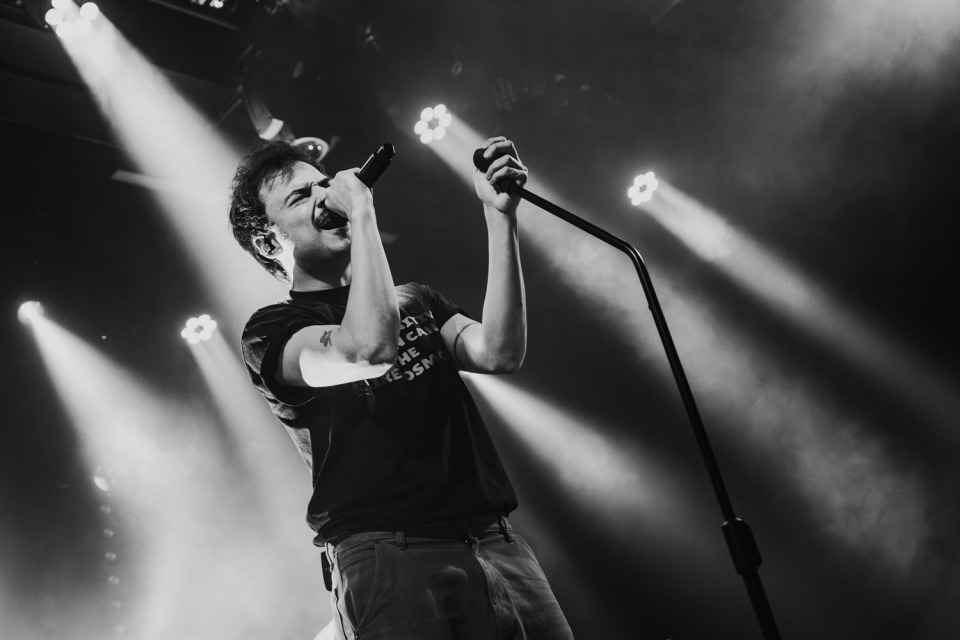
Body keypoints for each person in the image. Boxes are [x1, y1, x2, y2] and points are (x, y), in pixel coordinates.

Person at [228, 136, 574, 639]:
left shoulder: (413, 298)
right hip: (390, 553)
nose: (327, 197)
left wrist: (499, 216)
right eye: (301, 197)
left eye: (325, 184)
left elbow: (499, 352)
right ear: (267, 242)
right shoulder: (271, 331)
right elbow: (366, 351)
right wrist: (361, 212)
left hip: (495, 540)